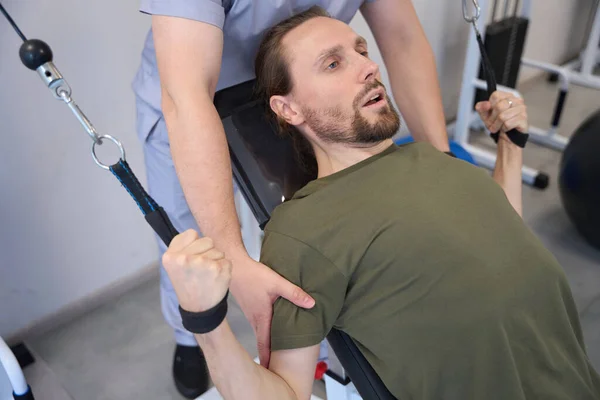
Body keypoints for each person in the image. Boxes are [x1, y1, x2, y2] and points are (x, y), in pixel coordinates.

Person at [160, 7, 600, 400]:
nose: (370, 68)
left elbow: (504, 237)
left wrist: (511, 147)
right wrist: (207, 320)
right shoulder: (303, 231)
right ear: (287, 109)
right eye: (333, 64)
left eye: (361, 51)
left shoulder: (433, 157)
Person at [133, 0, 451, 397]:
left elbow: (402, 38)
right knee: (190, 242)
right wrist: (232, 256)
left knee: (327, 226)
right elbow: (187, 95)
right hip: (195, 91)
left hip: (308, 91)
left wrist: (444, 168)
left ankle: (322, 341)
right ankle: (187, 338)